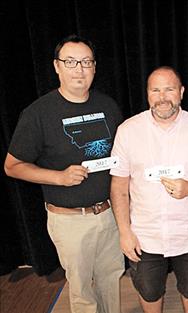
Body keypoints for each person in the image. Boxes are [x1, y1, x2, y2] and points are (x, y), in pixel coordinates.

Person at [4, 34, 124, 313]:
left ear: (95, 67)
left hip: (109, 214)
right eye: (70, 62)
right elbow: (12, 166)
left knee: (111, 280)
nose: (79, 69)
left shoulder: (108, 106)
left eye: (86, 62)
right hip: (70, 220)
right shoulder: (38, 113)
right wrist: (58, 177)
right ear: (57, 67)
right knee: (82, 291)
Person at [110, 66, 188, 313]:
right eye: (155, 90)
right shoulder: (127, 131)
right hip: (144, 235)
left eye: (169, 89)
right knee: (148, 290)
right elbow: (118, 186)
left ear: (181, 92)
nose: (162, 97)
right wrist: (124, 231)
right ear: (148, 94)